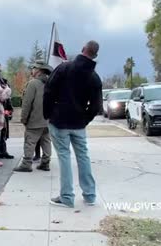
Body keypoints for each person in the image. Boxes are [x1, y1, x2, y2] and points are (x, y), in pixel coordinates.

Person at [43, 41, 102, 208]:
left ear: (82, 49)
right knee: (83, 156)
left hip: (59, 121)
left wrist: (48, 114)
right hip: (79, 124)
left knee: (64, 157)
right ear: (95, 56)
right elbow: (97, 106)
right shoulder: (94, 77)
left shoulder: (64, 68)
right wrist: (85, 119)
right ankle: (90, 195)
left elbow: (48, 92)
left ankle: (67, 197)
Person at [14, 61, 53, 172]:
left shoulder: (33, 83)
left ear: (38, 70)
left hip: (34, 119)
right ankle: (45, 163)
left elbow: (27, 103)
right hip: (47, 120)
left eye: (33, 68)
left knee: (30, 142)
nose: (32, 70)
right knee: (46, 141)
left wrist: (24, 118)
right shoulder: (50, 83)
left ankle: (26, 164)